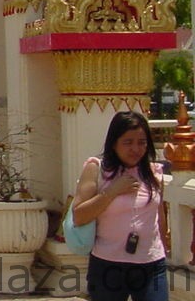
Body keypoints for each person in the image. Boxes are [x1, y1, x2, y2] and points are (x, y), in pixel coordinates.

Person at [72, 111, 167, 301]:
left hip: (151, 264)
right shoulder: (96, 169)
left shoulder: (154, 173)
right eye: (128, 142)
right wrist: (112, 191)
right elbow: (79, 215)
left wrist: (163, 250)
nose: (135, 149)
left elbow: (160, 217)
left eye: (141, 142)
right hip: (108, 266)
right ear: (114, 143)